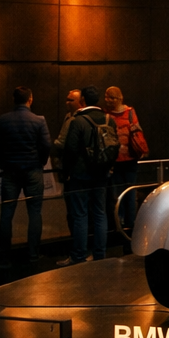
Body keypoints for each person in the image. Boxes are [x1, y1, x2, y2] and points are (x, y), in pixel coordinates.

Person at [0, 86, 50, 263]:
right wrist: (40, 162)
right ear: (30, 99)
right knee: (35, 212)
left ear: (13, 99)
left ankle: (4, 257)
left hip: (10, 171)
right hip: (33, 170)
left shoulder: (3, 120)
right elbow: (46, 145)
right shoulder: (38, 121)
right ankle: (33, 254)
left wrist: (3, 164)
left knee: (7, 213)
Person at [58, 86, 112, 266]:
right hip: (102, 173)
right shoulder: (108, 119)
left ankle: (78, 256)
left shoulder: (78, 121)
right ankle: (100, 254)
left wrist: (66, 172)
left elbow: (70, 150)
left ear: (83, 101)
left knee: (80, 215)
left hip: (81, 174)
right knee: (100, 213)